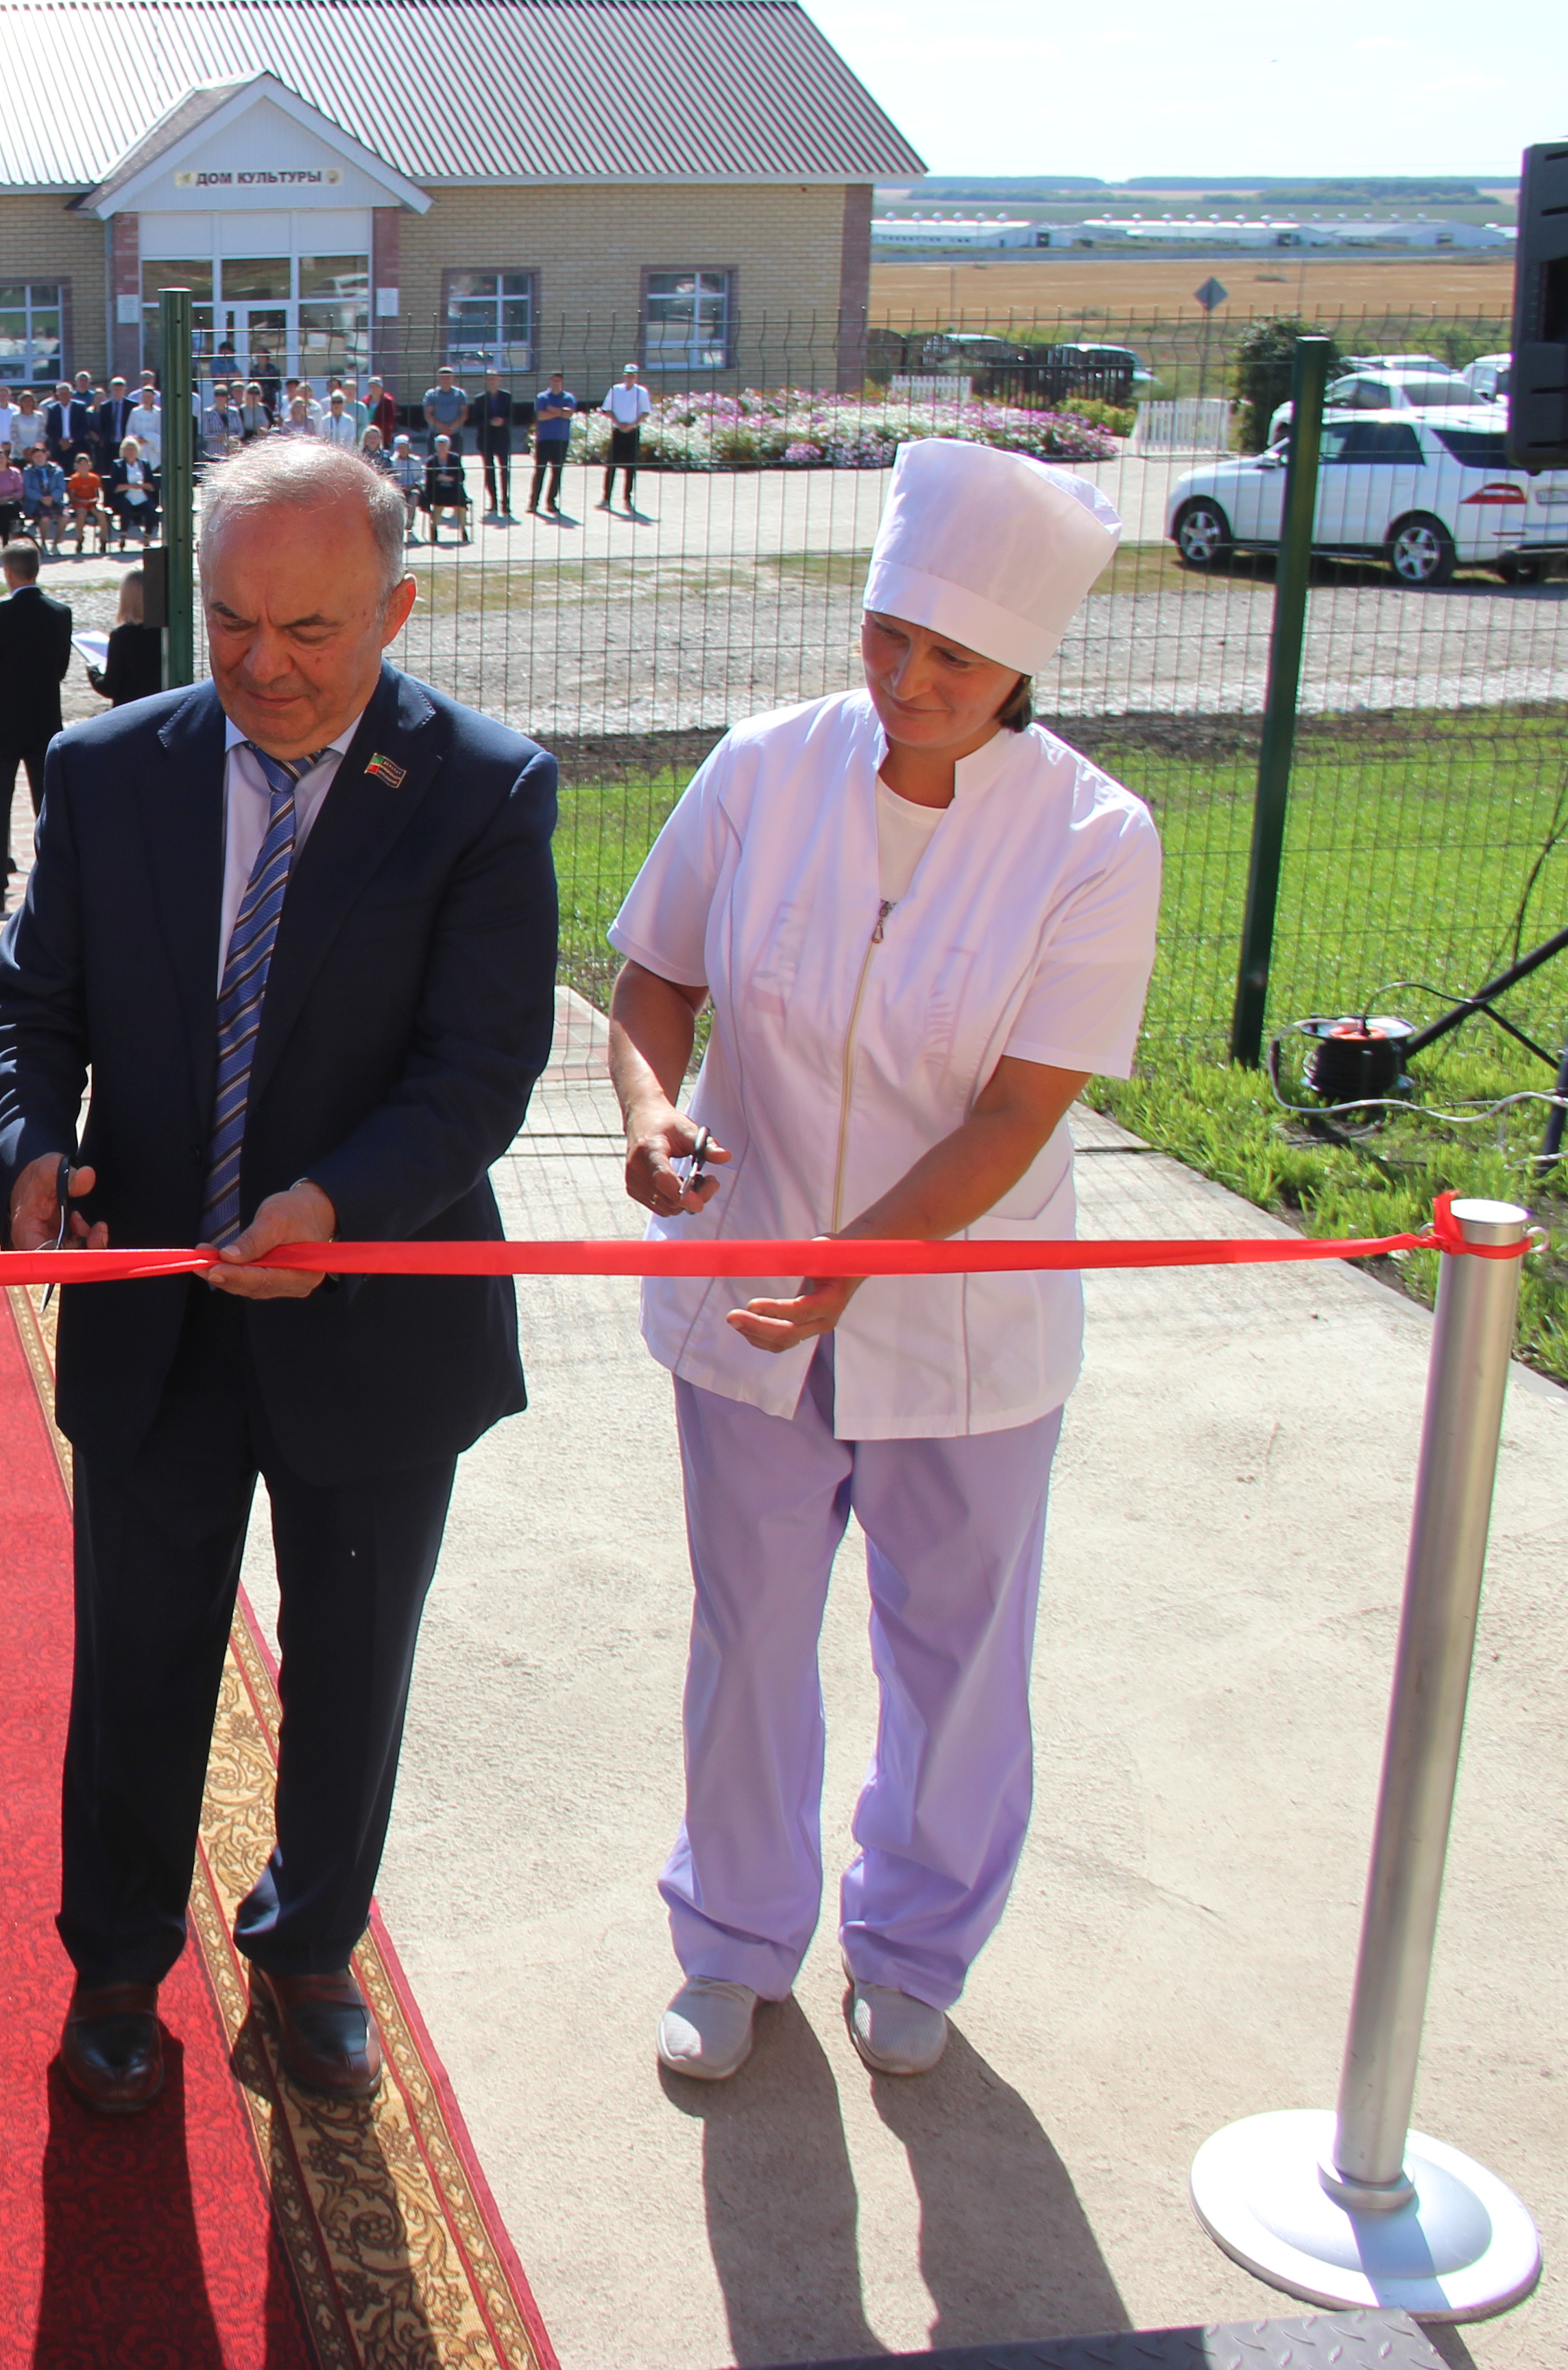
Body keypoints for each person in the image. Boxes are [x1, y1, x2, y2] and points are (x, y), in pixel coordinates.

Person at [0, 439, 560, 2115]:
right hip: (155, 1312)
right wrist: (24, 1144)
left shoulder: (480, 791)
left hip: (370, 1314)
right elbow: (27, 1009)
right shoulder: (109, 771)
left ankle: (306, 1947)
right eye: (230, 621)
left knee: (352, 1658)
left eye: (310, 630)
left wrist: (335, 1204)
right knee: (137, 1656)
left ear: (395, 605)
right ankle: (113, 1965)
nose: (263, 667)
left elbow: (476, 1067)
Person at [608, 440, 1155, 2088]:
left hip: (963, 1322)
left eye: (955, 659)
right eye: (887, 636)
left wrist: (858, 1257)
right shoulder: (762, 768)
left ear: (1019, 668)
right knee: (749, 1630)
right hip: (748, 1289)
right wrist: (646, 1120)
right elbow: (651, 979)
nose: (910, 681)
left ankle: (915, 1936)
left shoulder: (1090, 835)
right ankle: (733, 1935)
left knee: (957, 1646)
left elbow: (1015, 1108)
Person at [0, 536, 71, 915]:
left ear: (7, 572)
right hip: (43, 721)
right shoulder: (59, 613)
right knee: (47, 804)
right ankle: (55, 880)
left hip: (4, 723)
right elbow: (60, 670)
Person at [86, 567, 162, 705]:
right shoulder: (165, 632)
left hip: (131, 709)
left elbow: (110, 687)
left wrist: (93, 673)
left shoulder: (122, 636)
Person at [600, 364, 655, 513]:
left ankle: (627, 499)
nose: (629, 377)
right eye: (627, 375)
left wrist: (632, 425)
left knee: (631, 467)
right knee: (611, 465)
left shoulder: (642, 392)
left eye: (633, 375)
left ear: (637, 377)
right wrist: (618, 423)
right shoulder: (616, 389)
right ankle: (606, 498)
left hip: (633, 431)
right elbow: (607, 409)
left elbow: (645, 412)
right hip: (618, 430)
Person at [529, 372, 581, 517]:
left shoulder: (568, 397)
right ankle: (534, 502)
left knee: (557, 471)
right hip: (544, 439)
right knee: (540, 471)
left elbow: (569, 414)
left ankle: (551, 502)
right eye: (553, 380)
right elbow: (541, 416)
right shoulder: (542, 397)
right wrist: (560, 412)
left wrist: (552, 411)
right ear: (549, 382)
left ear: (562, 382)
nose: (556, 383)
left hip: (561, 439)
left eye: (558, 381)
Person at [469, 372, 518, 516]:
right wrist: (489, 422)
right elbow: (475, 421)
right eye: (489, 379)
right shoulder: (480, 399)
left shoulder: (506, 397)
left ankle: (505, 501)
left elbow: (513, 417)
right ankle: (493, 501)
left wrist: (503, 421)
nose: (492, 382)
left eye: (494, 379)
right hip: (486, 438)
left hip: (502, 437)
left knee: (504, 469)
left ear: (499, 380)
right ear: (485, 381)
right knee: (489, 470)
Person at [421, 435, 472, 543]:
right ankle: (434, 528)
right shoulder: (431, 461)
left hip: (453, 487)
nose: (442, 447)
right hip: (437, 489)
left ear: (449, 446)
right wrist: (442, 478)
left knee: (461, 503)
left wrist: (448, 478)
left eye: (444, 445)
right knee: (439, 502)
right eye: (439, 445)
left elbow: (461, 476)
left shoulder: (455, 458)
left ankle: (463, 529)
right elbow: (431, 477)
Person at [111, 438, 158, 546]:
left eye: (132, 449)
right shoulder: (118, 465)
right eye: (127, 449)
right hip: (125, 496)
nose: (130, 452)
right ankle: (123, 535)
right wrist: (131, 486)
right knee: (125, 505)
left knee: (151, 509)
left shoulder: (144, 464)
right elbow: (115, 487)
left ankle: (147, 536)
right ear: (123, 451)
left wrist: (142, 486)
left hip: (142, 496)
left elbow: (152, 485)